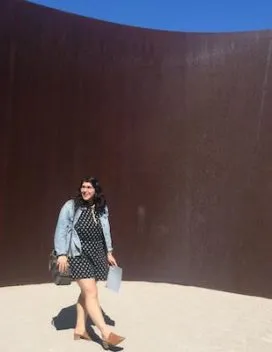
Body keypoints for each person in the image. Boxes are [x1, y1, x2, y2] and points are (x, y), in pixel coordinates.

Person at [54, 176, 125, 349]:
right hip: (78, 253)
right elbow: (61, 229)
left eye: (89, 187)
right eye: (83, 187)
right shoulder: (71, 206)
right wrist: (61, 253)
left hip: (97, 253)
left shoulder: (101, 208)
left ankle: (80, 329)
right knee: (91, 292)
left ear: (96, 190)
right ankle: (106, 334)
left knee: (87, 292)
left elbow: (105, 231)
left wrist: (109, 252)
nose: (85, 190)